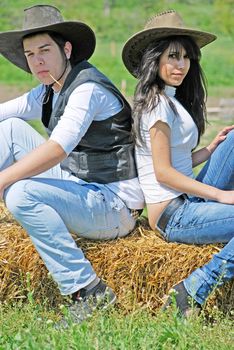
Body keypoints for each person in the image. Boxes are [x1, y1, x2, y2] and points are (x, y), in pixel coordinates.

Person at [0, 4, 144, 324]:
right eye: (29, 53)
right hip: (82, 185)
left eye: (44, 50)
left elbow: (57, 150)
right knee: (9, 130)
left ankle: (87, 290)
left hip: (115, 205)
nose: (37, 60)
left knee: (20, 193)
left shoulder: (87, 88)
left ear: (66, 49)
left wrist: (2, 179)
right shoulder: (49, 90)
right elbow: (4, 112)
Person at [122, 10, 234, 317]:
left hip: (187, 199)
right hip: (174, 215)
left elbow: (178, 161)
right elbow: (163, 172)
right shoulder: (157, 105)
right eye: (172, 56)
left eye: (186, 57)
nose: (181, 65)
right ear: (154, 60)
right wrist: (222, 196)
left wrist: (211, 149)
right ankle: (194, 288)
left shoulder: (170, 99)